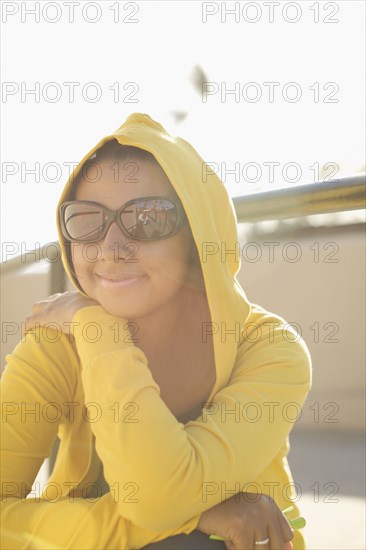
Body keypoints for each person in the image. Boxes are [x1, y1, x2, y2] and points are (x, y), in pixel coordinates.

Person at [1, 113, 312, 549]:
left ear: (196, 239)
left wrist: (97, 332)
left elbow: (155, 500)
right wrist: (193, 515)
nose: (111, 247)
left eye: (147, 219)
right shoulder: (58, 345)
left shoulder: (269, 349)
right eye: (88, 219)